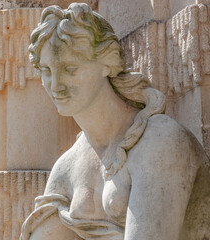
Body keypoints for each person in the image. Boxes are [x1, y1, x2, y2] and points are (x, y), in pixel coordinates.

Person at [20, 3, 210, 240]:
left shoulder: (161, 142)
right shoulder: (65, 169)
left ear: (107, 63)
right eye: (46, 71)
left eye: (70, 68)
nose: (55, 85)